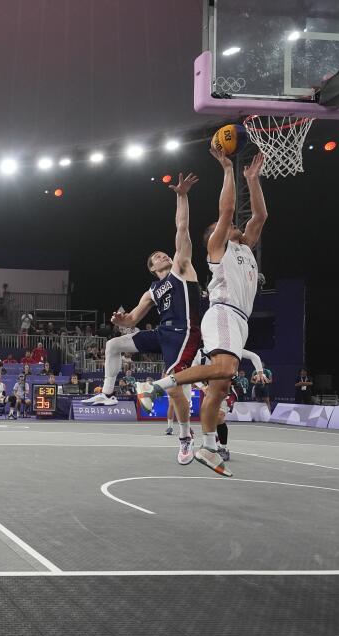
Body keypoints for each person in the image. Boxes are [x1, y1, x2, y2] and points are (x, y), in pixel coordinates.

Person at [138, 146, 269, 477]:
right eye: (221, 226)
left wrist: (252, 180)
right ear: (216, 236)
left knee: (221, 386)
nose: (230, 224)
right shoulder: (218, 248)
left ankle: (209, 447)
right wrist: (227, 169)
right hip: (222, 312)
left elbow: (260, 217)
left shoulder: (245, 247)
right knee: (224, 369)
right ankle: (155, 387)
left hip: (240, 321)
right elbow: (226, 212)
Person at [86, 171, 203, 466]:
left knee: (174, 385)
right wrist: (121, 318)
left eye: (166, 254)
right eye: (158, 257)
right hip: (162, 333)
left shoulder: (182, 269)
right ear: (152, 268)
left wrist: (182, 195)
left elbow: (183, 227)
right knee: (113, 345)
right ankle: (109, 393)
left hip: (184, 331)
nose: (164, 256)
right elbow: (132, 319)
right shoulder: (151, 290)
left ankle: (186, 437)